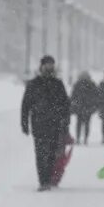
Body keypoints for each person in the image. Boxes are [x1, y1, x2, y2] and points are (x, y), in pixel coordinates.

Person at [21, 56, 70, 191]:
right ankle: (43, 181)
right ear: (41, 66)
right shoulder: (33, 84)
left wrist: (65, 124)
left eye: (51, 65)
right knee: (41, 153)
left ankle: (48, 178)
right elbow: (26, 105)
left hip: (55, 125)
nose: (49, 67)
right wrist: (24, 123)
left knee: (52, 153)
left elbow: (66, 105)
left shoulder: (58, 84)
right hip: (39, 125)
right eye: (47, 65)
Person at [70, 71, 99, 144]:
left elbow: (96, 96)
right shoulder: (80, 84)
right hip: (82, 107)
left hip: (85, 107)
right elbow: (73, 95)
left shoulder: (89, 84)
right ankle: (80, 138)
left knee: (83, 124)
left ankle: (82, 138)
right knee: (83, 124)